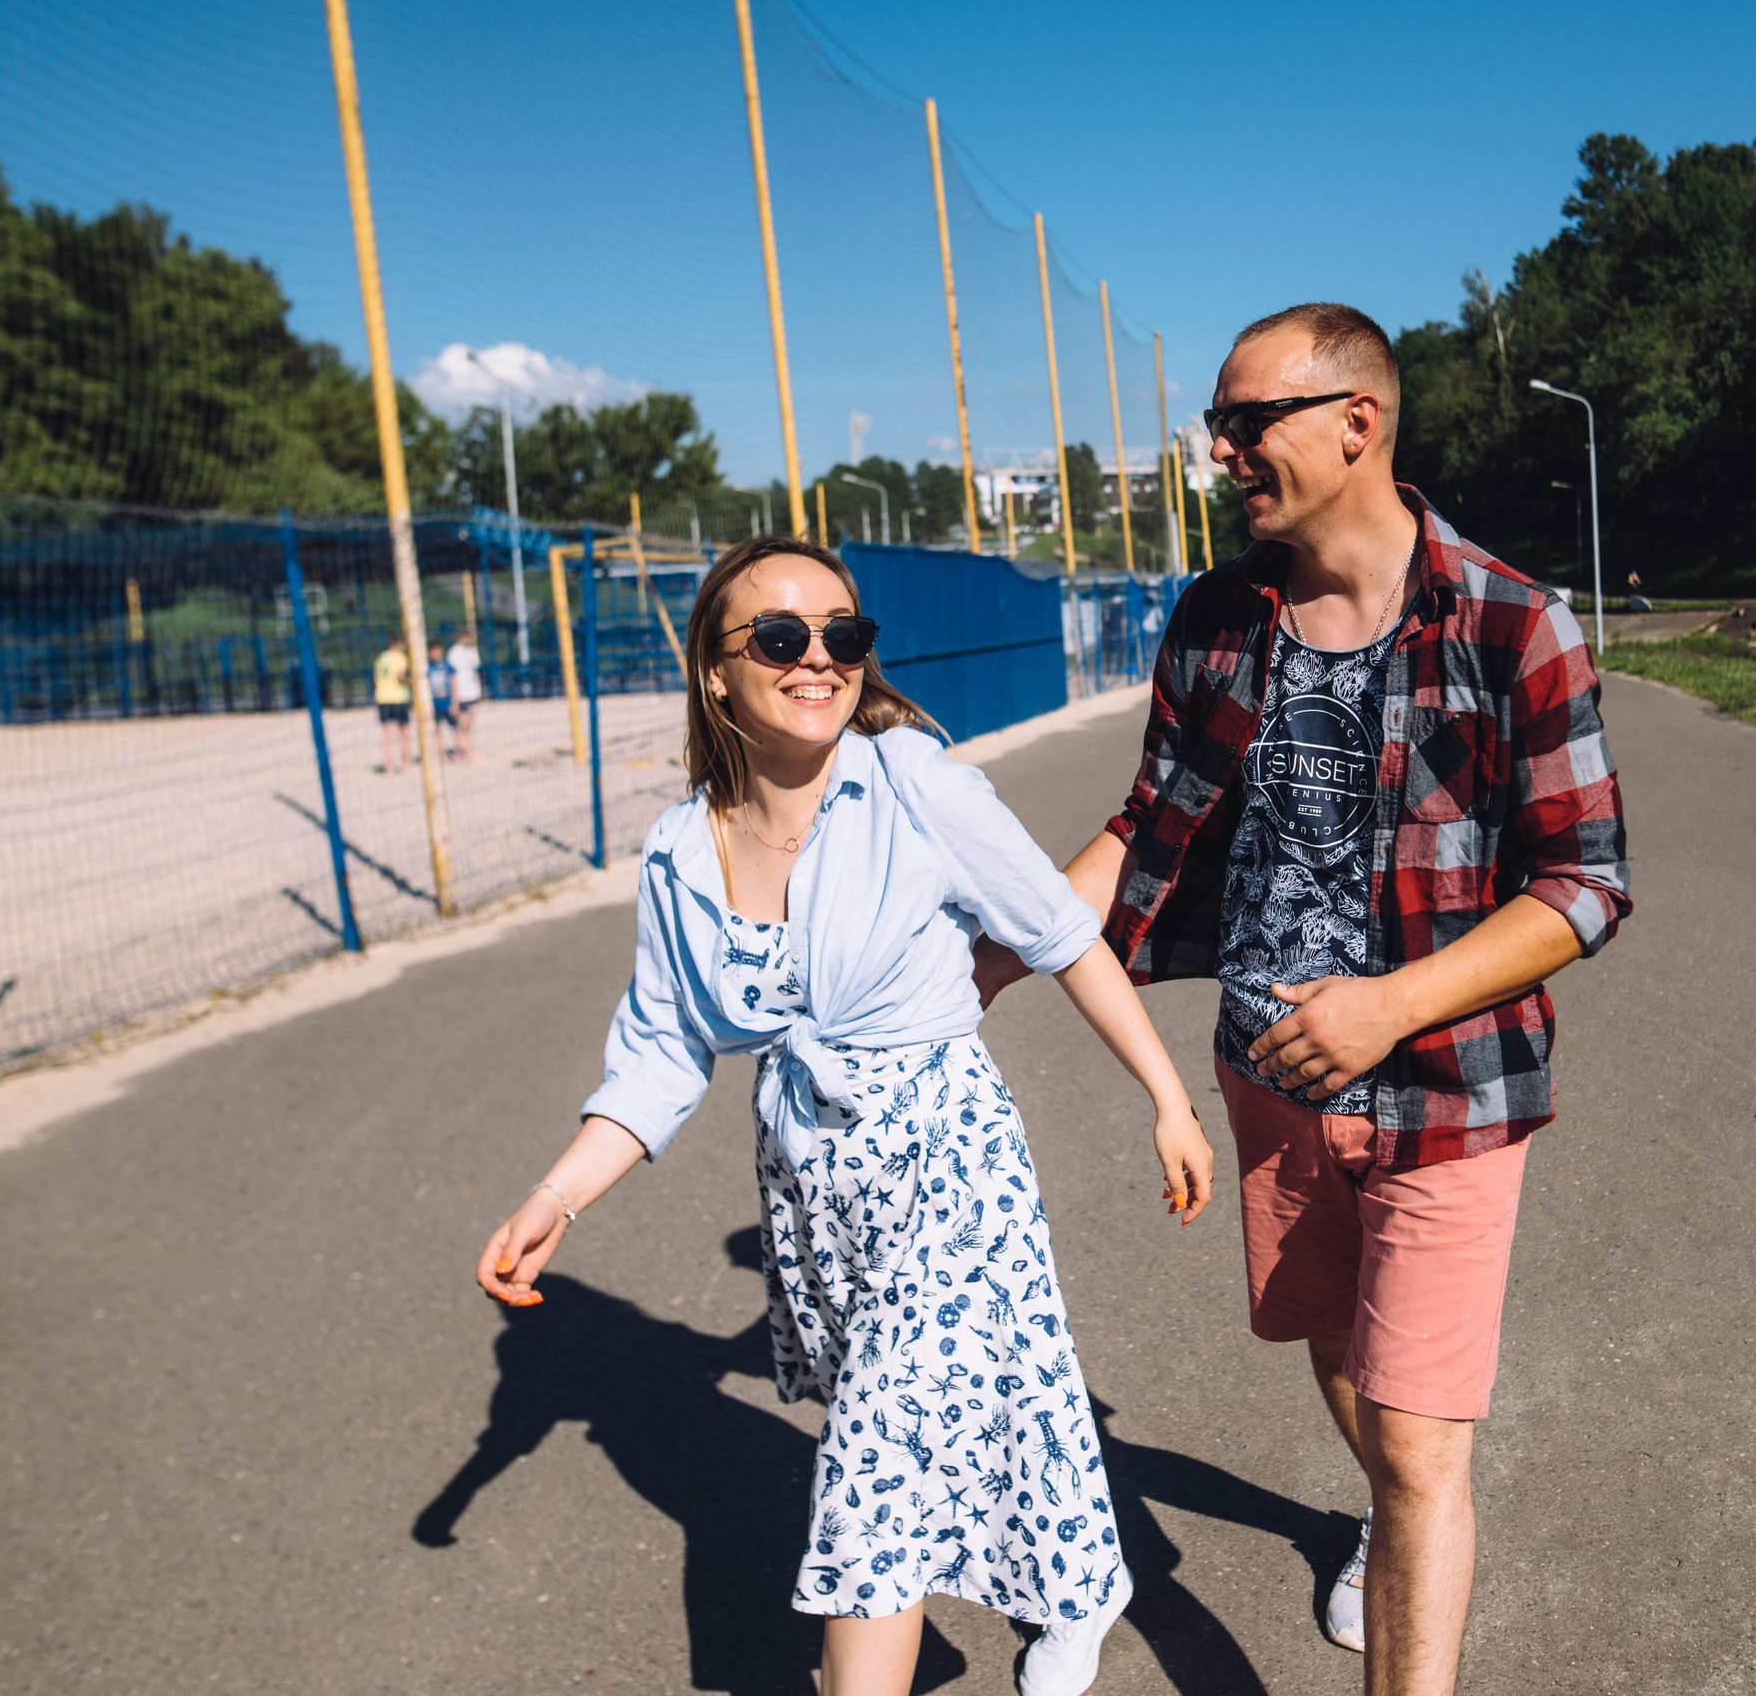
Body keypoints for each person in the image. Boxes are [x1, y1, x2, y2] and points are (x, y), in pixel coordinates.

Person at [977, 303, 1629, 1695]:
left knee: (1417, 1440)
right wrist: (989, 954)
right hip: (1267, 1081)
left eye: (1244, 420)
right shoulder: (1219, 616)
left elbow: (1583, 885)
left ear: (1356, 421)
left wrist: (1391, 1006)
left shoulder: (1513, 621)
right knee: (1340, 1358)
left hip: (1445, 1095)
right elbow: (1151, 821)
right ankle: (1394, 1524)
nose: (1220, 450)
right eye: (1219, 426)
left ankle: (1411, 1532)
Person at [473, 535, 1214, 1696]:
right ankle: (1079, 1581)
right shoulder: (679, 853)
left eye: (841, 635)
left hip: (946, 1152)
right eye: (779, 636)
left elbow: (1058, 932)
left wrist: (1166, 1098)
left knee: (876, 1458)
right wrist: (554, 1192)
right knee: (1002, 1384)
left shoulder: (912, 779)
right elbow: (664, 1052)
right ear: (716, 670)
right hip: (813, 1178)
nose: (817, 658)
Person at [372, 633, 412, 773]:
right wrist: (412, 684)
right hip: (399, 698)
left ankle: (388, 766)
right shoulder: (400, 657)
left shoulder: (380, 659)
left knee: (387, 735)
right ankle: (405, 764)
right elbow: (400, 677)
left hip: (383, 698)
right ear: (397, 644)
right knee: (404, 732)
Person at [447, 627, 485, 756]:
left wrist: (478, 690)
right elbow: (452, 676)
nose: (466, 638)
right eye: (463, 636)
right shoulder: (454, 652)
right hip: (461, 692)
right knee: (461, 721)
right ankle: (460, 749)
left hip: (471, 691)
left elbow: (475, 672)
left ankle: (467, 747)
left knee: (470, 720)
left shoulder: (472, 651)